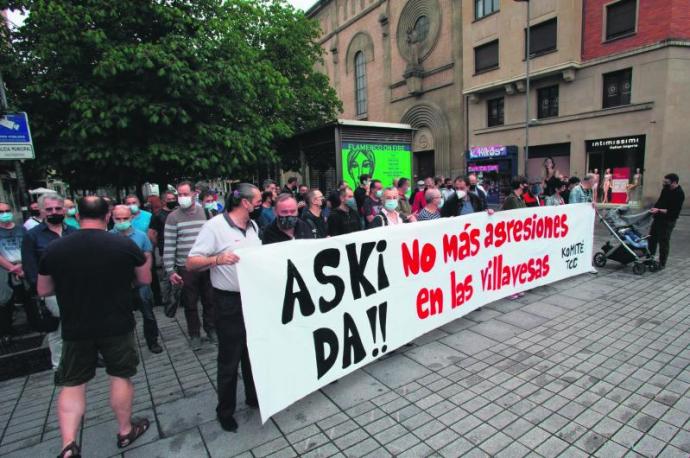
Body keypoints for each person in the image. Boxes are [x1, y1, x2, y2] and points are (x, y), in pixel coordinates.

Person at [37, 196, 152, 458]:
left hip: (76, 326)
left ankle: (68, 445)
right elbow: (144, 279)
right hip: (117, 323)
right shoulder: (122, 244)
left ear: (76, 216)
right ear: (108, 215)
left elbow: (43, 289)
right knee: (120, 376)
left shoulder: (56, 248)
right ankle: (124, 431)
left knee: (73, 383)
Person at [186, 184, 261, 433]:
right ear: (246, 203)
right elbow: (192, 262)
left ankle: (253, 397)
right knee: (229, 358)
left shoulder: (253, 226)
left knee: (252, 353)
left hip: (252, 299)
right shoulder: (214, 226)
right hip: (227, 301)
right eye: (258, 200)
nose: (261, 204)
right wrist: (218, 259)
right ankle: (225, 411)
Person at [22, 193, 78, 368]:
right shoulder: (32, 236)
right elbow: (30, 267)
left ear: (64, 209)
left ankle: (81, 359)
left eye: (58, 208)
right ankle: (60, 365)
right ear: (42, 211)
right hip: (52, 291)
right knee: (58, 330)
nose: (54, 212)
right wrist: (41, 292)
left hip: (77, 288)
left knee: (79, 324)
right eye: (49, 209)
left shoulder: (73, 232)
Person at [163, 181, 217, 350]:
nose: (182, 198)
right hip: (186, 268)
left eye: (185, 194)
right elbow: (170, 244)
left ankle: (211, 329)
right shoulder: (173, 217)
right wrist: (170, 270)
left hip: (207, 265)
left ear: (194, 194)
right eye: (180, 194)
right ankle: (194, 334)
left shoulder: (206, 213)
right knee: (190, 303)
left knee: (210, 301)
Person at [111, 205, 162, 354]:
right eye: (118, 219)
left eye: (125, 218)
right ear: (111, 218)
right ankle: (125, 346)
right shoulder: (108, 237)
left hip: (140, 282)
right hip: (119, 284)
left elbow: (147, 256)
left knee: (148, 313)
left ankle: (152, 341)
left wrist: (146, 276)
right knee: (122, 316)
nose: (121, 222)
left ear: (131, 218)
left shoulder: (141, 236)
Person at [149, 191, 178, 311]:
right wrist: (161, 244)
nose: (172, 201)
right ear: (163, 201)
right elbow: (151, 233)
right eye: (169, 199)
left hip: (180, 249)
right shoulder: (157, 215)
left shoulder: (178, 213)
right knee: (168, 276)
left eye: (173, 198)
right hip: (166, 250)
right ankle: (168, 299)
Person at [648, 173, 685, 270]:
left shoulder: (679, 194)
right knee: (651, 239)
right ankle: (650, 258)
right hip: (658, 219)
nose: (664, 184)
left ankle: (662, 263)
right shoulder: (665, 190)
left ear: (674, 182)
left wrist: (659, 210)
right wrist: (654, 208)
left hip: (668, 221)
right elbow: (660, 201)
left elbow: (673, 212)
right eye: (664, 182)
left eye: (667, 182)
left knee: (663, 242)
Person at [0, 202, 25, 344]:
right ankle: (6, 332)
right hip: (4, 269)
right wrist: (11, 267)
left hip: (23, 267)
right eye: (1, 211)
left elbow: (28, 248)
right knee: (5, 301)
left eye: (7, 210)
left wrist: (22, 266)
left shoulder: (21, 230)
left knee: (28, 297)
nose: (4, 214)